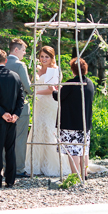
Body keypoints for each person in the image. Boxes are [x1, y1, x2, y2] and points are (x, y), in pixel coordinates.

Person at [25, 46, 69, 176]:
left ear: (52, 58)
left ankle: (52, 164)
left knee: (49, 130)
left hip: (50, 103)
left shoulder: (54, 70)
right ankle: (36, 164)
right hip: (38, 104)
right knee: (37, 129)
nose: (43, 59)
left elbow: (52, 90)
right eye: (42, 56)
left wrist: (34, 93)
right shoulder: (37, 69)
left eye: (46, 57)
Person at [0, 49, 25, 188]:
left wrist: (2, 113)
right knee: (10, 149)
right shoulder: (15, 76)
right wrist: (15, 114)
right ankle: (10, 179)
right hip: (12, 119)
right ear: (6, 61)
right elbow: (21, 98)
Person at [53, 57, 95, 181]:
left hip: (70, 122)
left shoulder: (71, 83)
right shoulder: (90, 83)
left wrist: (53, 90)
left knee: (73, 151)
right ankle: (84, 174)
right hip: (85, 122)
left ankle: (75, 175)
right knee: (84, 149)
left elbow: (58, 97)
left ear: (73, 70)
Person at [6, 38, 31, 178]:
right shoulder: (20, 65)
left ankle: (6, 167)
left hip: (4, 108)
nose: (24, 53)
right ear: (16, 49)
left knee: (5, 138)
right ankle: (19, 169)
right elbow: (27, 87)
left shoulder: (2, 62)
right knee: (20, 139)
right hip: (20, 107)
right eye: (23, 50)